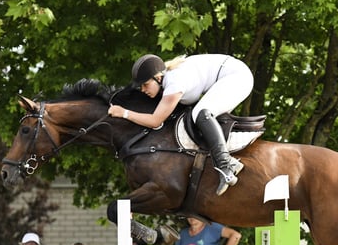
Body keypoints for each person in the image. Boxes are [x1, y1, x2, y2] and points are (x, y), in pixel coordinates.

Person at [108, 53, 253, 196]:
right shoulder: (168, 80)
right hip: (230, 75)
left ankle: (227, 164)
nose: (143, 90)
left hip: (236, 77)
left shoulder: (174, 83)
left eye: (145, 85)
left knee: (201, 113)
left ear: (158, 78)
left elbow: (155, 121)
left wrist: (124, 113)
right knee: (199, 116)